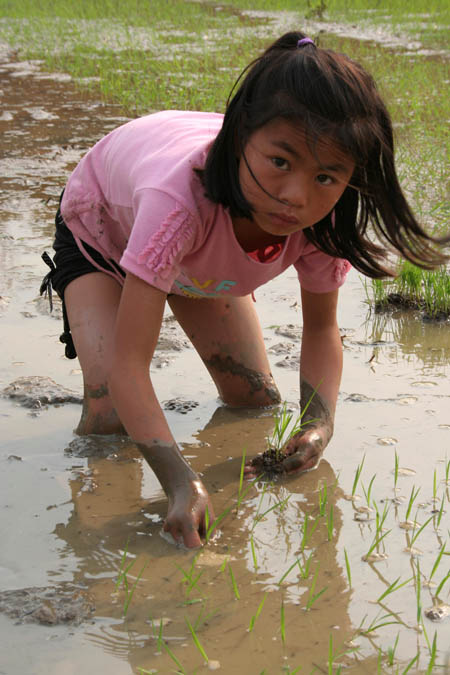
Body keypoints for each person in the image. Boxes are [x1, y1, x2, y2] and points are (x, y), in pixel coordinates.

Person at [40, 31, 448, 549]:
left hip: (199, 259)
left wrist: (318, 426)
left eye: (326, 176)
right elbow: (129, 367)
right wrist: (180, 482)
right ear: (240, 139)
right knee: (108, 412)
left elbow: (322, 331)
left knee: (254, 400)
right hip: (107, 226)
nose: (295, 197)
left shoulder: (322, 226)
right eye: (280, 162)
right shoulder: (176, 203)